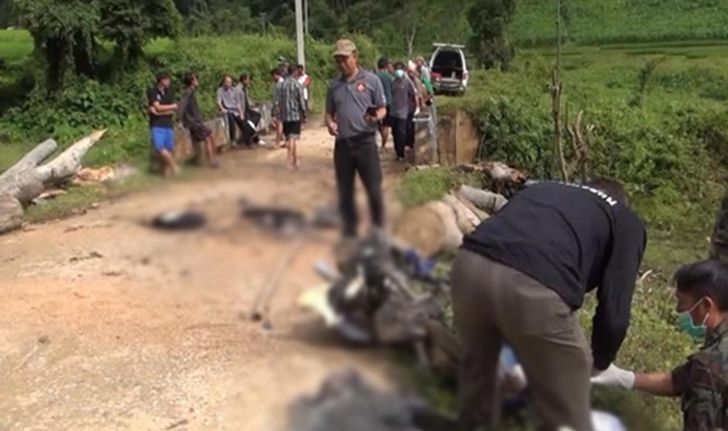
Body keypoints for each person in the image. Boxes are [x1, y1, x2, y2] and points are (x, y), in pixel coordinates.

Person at [451, 179, 647, 431]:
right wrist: (599, 363)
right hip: (532, 286)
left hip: (468, 266)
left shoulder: (543, 189)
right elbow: (615, 312)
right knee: (569, 411)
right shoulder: (625, 219)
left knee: (479, 384)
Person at [592, 259, 728, 431]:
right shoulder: (715, 353)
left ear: (706, 305)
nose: (678, 310)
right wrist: (623, 378)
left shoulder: (709, 366)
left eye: (682, 302)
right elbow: (680, 380)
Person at [325, 39, 387, 239]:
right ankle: (350, 235)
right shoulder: (333, 86)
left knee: (374, 191)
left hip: (365, 143)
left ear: (355, 57)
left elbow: (382, 107)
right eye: (338, 61)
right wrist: (330, 123)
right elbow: (329, 112)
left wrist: (376, 116)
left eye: (345, 59)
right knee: (345, 194)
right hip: (343, 145)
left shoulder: (371, 81)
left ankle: (379, 233)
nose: (342, 64)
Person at [178, 72, 219, 168]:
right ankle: (212, 161)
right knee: (208, 138)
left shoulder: (190, 92)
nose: (197, 81)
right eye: (196, 79)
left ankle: (210, 159)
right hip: (194, 122)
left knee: (208, 137)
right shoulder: (189, 92)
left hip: (195, 121)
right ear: (192, 82)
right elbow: (181, 106)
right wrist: (180, 119)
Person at [147, 72, 180, 176]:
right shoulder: (153, 92)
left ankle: (167, 175)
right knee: (159, 147)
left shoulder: (170, 92)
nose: (169, 82)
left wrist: (160, 111)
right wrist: (170, 107)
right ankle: (174, 167)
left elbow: (171, 110)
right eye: (167, 80)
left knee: (169, 149)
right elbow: (157, 107)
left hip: (168, 123)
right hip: (157, 124)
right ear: (162, 81)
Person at [277, 64, 307, 169]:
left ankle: (294, 160)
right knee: (292, 139)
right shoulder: (297, 85)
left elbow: (278, 100)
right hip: (295, 115)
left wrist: (276, 113)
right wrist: (304, 114)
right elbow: (301, 101)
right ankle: (289, 161)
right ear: (294, 72)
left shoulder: (281, 85)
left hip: (285, 116)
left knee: (289, 138)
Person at [390, 61, 417, 162]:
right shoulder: (393, 82)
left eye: (400, 69)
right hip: (393, 112)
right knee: (394, 133)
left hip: (403, 113)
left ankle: (401, 153)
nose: (398, 71)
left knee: (401, 133)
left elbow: (413, 96)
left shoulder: (408, 82)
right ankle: (397, 152)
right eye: (397, 69)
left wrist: (413, 109)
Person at [216, 74, 246, 147]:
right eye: (227, 82)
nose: (228, 84)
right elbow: (218, 101)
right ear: (224, 82)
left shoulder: (234, 90)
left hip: (235, 110)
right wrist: (222, 108)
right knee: (231, 120)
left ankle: (247, 139)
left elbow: (238, 103)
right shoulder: (220, 90)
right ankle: (233, 140)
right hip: (227, 110)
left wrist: (241, 113)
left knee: (243, 122)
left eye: (230, 82)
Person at [376, 57, 394, 151]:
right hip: (388, 103)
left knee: (377, 125)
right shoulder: (389, 77)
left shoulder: (374, 76)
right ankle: (383, 145)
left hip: (376, 104)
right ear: (386, 66)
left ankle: (380, 142)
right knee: (386, 125)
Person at [271, 68, 285, 148]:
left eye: (272, 76)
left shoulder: (279, 85)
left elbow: (277, 98)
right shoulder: (283, 82)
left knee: (279, 124)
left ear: (275, 75)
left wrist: (274, 109)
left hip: (279, 106)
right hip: (283, 106)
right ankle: (285, 140)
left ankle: (277, 142)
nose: (272, 78)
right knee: (281, 124)